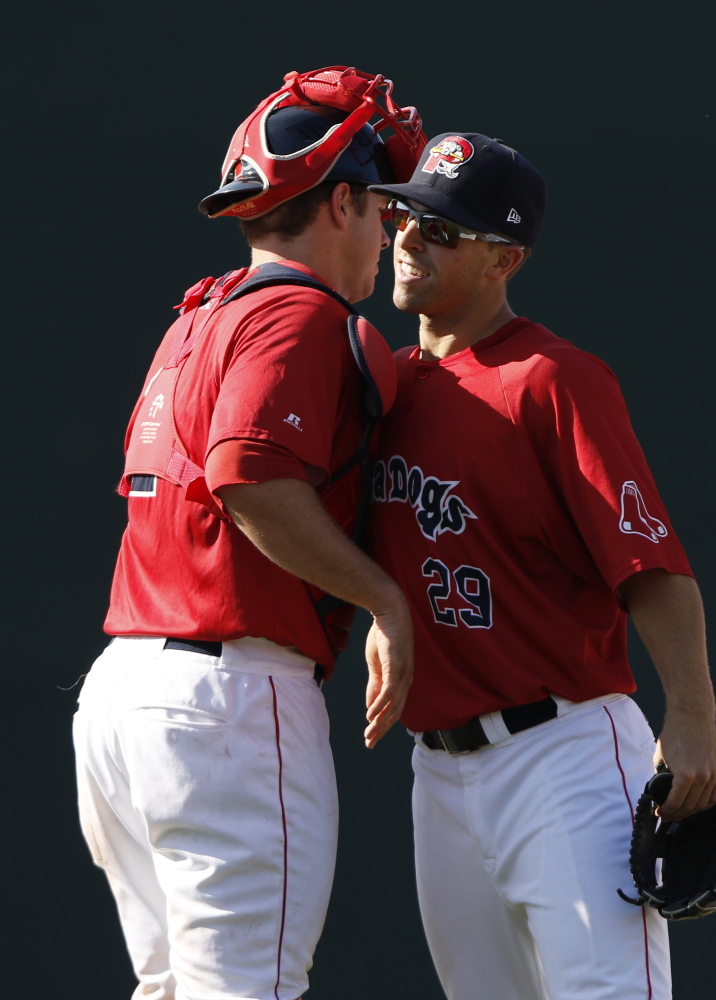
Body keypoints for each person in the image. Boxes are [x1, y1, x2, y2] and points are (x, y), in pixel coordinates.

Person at [72, 67, 426, 1000]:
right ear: (342, 201)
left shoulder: (200, 315)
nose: (392, 228)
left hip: (124, 696)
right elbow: (248, 478)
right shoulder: (297, 313)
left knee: (171, 991)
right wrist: (383, 598)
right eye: (382, 204)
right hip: (226, 701)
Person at [367, 133, 716, 1000]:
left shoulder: (552, 379)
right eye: (404, 216)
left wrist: (692, 716)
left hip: (561, 753)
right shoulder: (383, 385)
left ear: (507, 258)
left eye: (443, 230)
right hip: (438, 770)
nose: (410, 240)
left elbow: (651, 564)